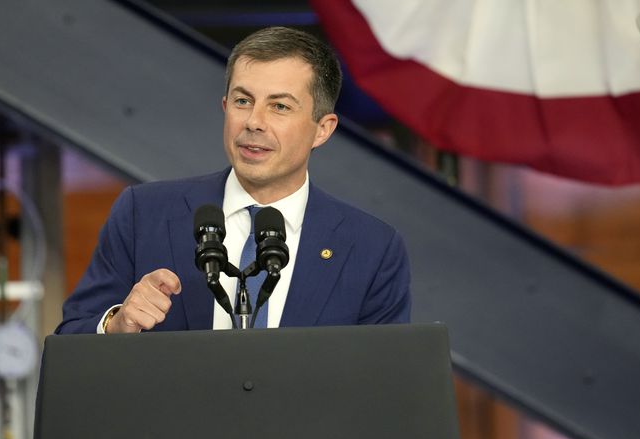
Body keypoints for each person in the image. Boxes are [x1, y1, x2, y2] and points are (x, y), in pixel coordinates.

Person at [56, 26, 411, 334]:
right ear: (226, 107)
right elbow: (70, 338)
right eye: (243, 101)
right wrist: (116, 324)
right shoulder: (142, 214)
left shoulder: (371, 248)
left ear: (322, 129)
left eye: (280, 106)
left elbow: (387, 385)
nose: (254, 122)